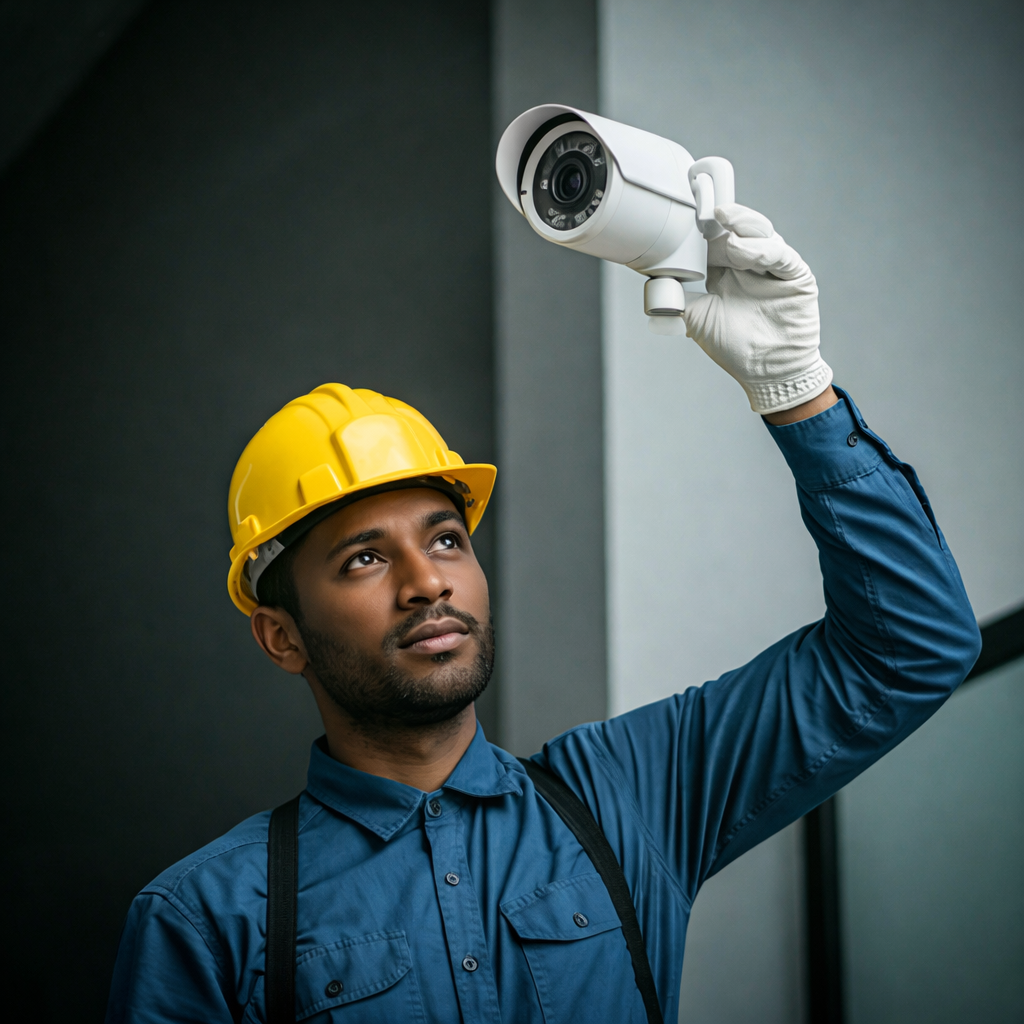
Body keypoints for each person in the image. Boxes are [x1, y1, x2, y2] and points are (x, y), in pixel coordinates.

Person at [105, 204, 980, 1024]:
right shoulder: (208, 917)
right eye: (365, 558)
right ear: (281, 635)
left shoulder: (628, 796)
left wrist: (795, 388)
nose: (427, 582)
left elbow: (909, 649)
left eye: (446, 539)